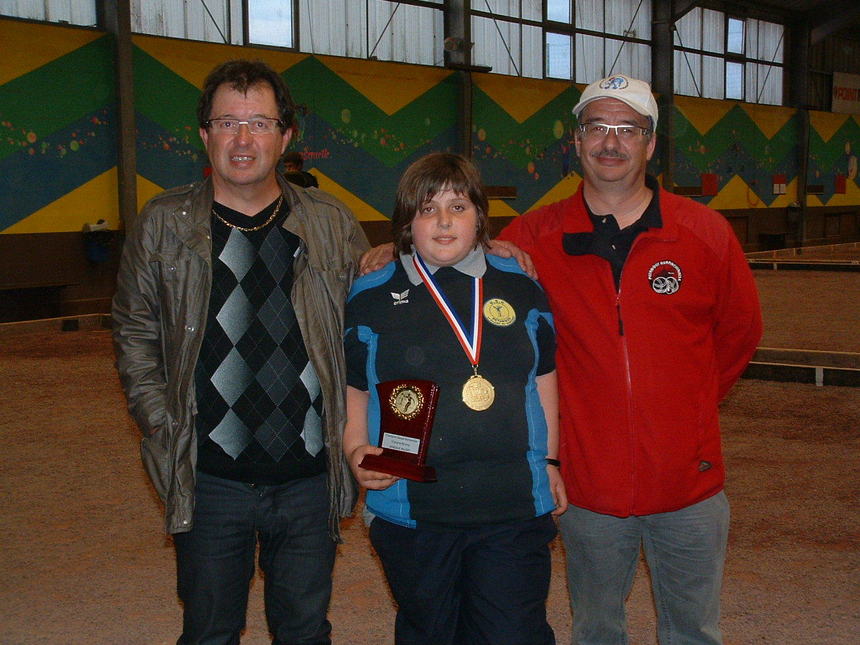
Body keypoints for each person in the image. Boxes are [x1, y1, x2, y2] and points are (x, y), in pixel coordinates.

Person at [495, 74, 763, 645]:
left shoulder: (704, 233)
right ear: (576, 140)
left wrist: (684, 408)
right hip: (588, 489)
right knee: (595, 629)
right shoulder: (533, 236)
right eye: (597, 127)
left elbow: (739, 333)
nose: (610, 142)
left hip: (689, 486)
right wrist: (391, 250)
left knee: (693, 630)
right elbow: (451, 253)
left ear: (650, 142)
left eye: (627, 128)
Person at [112, 59, 369, 644]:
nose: (244, 138)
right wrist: (164, 422)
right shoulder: (162, 224)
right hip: (210, 481)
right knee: (208, 632)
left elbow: (381, 315)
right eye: (228, 123)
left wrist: (493, 251)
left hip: (308, 477)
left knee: (304, 631)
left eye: (260, 122)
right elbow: (133, 333)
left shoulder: (332, 224)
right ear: (205, 135)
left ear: (286, 136)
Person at [343, 152, 567, 645]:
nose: (444, 221)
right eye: (427, 209)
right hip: (413, 513)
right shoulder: (371, 293)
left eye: (459, 207)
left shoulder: (521, 286)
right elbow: (355, 386)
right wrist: (356, 448)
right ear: (407, 223)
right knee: (430, 632)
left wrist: (550, 461)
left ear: (481, 218)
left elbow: (543, 376)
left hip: (511, 507)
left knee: (515, 633)